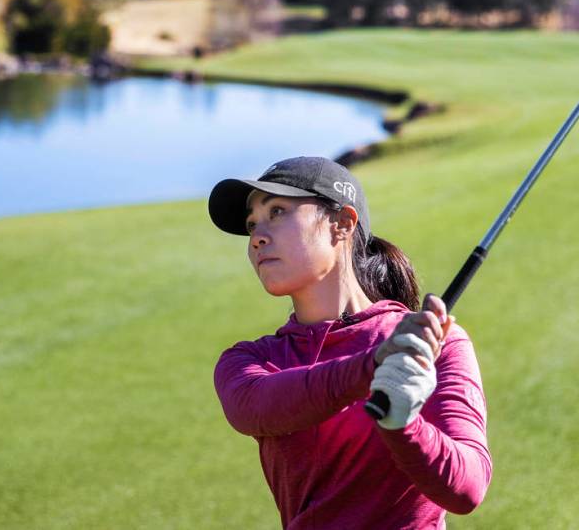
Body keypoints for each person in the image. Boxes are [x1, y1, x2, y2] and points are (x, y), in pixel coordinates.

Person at [208, 156, 492, 529]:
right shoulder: (252, 359)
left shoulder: (436, 342)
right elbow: (255, 407)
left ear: (342, 223)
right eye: (252, 224)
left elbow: (467, 489)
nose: (257, 237)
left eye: (277, 211)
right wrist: (373, 366)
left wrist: (403, 423)